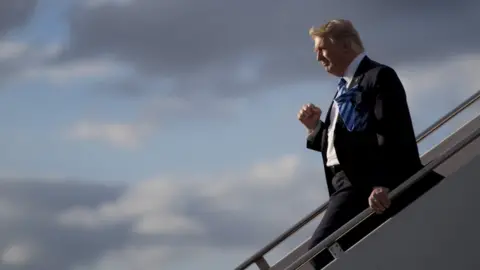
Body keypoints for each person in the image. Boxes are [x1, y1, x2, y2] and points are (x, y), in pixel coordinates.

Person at [297, 19, 443, 269]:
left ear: (345, 45)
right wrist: (315, 128)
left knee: (321, 250)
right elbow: (346, 144)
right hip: (344, 184)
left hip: (362, 184)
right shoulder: (344, 87)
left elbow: (394, 132)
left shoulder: (377, 76)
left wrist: (383, 181)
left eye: (321, 49)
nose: (318, 58)